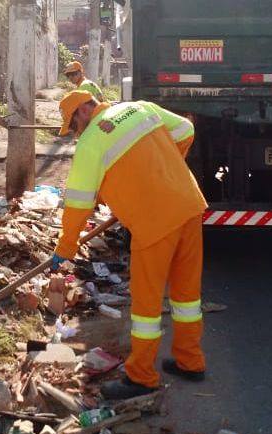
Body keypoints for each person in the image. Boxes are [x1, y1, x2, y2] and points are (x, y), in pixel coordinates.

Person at [52, 90, 207, 399]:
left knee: (146, 305)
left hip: (154, 223)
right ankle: (191, 361)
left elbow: (79, 203)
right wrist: (165, 170)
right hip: (188, 206)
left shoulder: (91, 141)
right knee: (186, 294)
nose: (73, 133)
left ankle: (141, 377)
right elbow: (186, 130)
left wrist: (65, 248)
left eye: (72, 125)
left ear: (83, 111)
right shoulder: (140, 108)